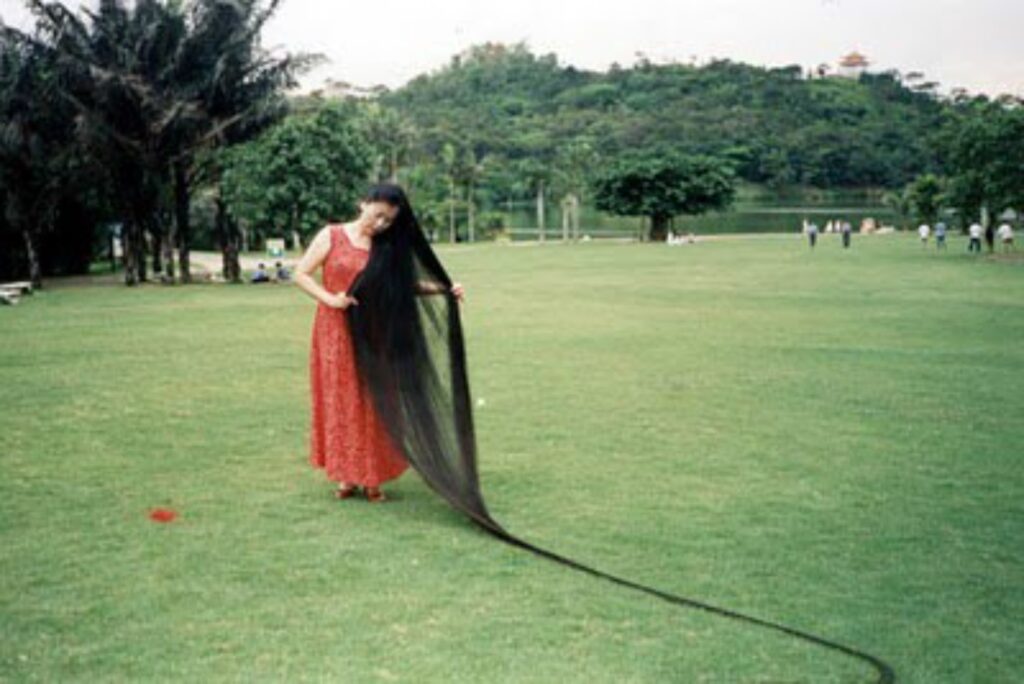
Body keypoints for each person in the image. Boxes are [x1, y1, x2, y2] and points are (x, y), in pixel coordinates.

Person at [294, 184, 465, 503]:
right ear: (364, 204)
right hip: (335, 330)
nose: (381, 224)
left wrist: (444, 288)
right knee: (341, 400)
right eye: (378, 216)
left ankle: (372, 477)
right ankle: (346, 476)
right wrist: (330, 299)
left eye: (389, 221)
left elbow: (405, 286)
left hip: (375, 332)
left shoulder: (385, 247)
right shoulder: (332, 235)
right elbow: (301, 274)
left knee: (374, 402)